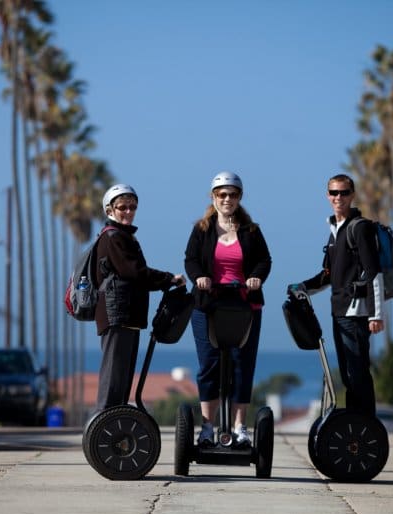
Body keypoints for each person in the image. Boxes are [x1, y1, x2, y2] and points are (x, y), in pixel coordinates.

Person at [184, 171, 272, 447]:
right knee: (208, 364)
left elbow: (264, 260)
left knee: (241, 364)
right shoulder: (202, 229)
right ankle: (208, 427)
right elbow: (190, 259)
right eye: (222, 194)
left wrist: (256, 278)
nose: (227, 199)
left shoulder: (251, 231)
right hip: (208, 305)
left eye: (232, 194)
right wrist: (199, 277)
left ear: (239, 197)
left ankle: (239, 427)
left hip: (244, 305)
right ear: (213, 197)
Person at [293, 173, 384, 418]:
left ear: (352, 195)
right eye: (334, 193)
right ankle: (356, 422)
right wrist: (301, 286)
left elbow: (374, 272)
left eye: (343, 192)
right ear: (327, 196)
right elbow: (328, 275)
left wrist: (375, 315)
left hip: (356, 313)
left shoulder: (359, 228)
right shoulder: (334, 229)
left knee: (357, 371)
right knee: (347, 373)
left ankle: (365, 424)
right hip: (339, 311)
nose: (338, 197)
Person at [94, 183, 186, 411]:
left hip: (129, 316)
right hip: (116, 316)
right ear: (109, 210)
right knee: (113, 381)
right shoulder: (114, 237)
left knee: (123, 379)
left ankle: (114, 428)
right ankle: (102, 427)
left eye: (132, 207)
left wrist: (164, 281)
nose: (128, 212)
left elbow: (135, 275)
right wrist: (169, 279)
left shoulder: (125, 237)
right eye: (122, 207)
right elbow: (133, 272)